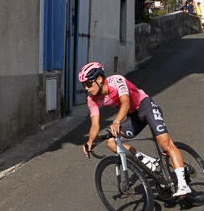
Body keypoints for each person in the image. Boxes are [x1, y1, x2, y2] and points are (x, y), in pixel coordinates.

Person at [78, 62, 192, 196]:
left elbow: (125, 102)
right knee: (111, 142)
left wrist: (116, 122)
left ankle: (183, 185)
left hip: (146, 106)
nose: (86, 88)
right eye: (84, 85)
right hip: (134, 116)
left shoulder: (116, 80)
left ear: (99, 79)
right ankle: (149, 162)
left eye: (88, 84)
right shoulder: (92, 99)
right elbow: (95, 124)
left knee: (165, 143)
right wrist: (90, 141)